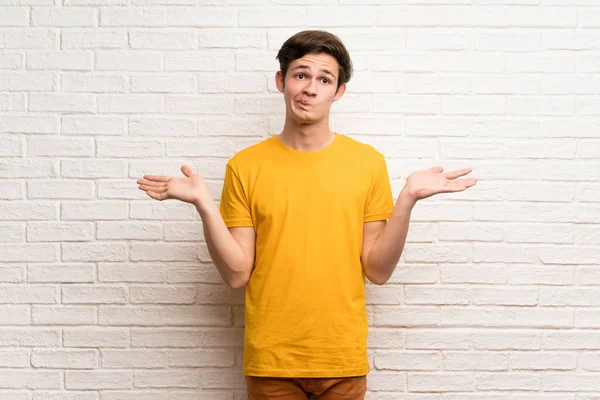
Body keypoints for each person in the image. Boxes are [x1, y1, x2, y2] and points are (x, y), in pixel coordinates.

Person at [137, 30, 477, 400]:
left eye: (324, 79)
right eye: (301, 74)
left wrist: (407, 199)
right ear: (281, 81)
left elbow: (377, 270)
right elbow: (237, 274)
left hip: (342, 359)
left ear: (338, 91)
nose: (310, 88)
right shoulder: (245, 166)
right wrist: (205, 206)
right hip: (272, 363)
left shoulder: (367, 163)